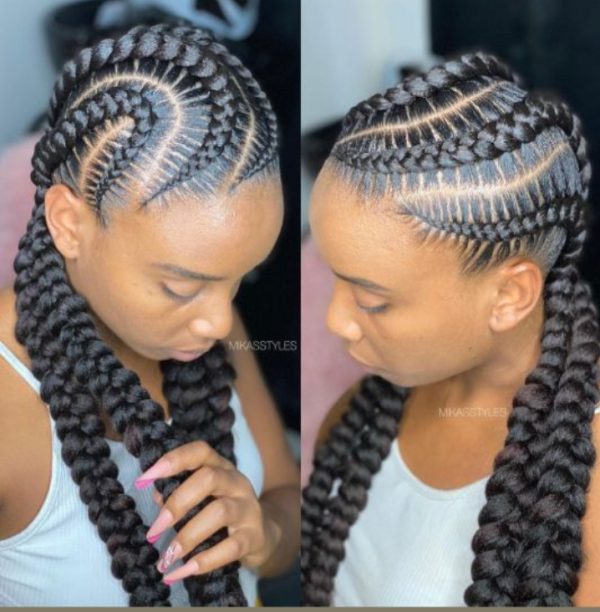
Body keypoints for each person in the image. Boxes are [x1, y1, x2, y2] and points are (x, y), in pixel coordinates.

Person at [0, 23, 299, 607]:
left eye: (241, 278)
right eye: (180, 286)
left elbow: (286, 497)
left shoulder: (206, 324)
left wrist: (265, 534)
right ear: (68, 223)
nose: (220, 323)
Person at [302, 51, 600, 606]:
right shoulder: (359, 420)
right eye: (332, 276)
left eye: (372, 300)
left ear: (509, 296)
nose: (335, 320)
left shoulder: (587, 487)